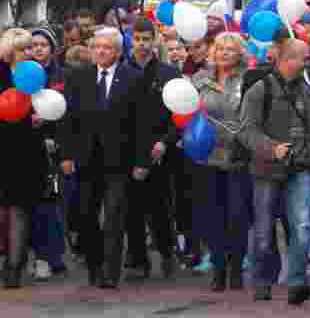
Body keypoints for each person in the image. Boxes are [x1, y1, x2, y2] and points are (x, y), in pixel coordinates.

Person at [239, 39, 310, 305]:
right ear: (288, 59)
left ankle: (297, 282)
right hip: (266, 169)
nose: (308, 61)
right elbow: (245, 130)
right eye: (303, 57)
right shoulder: (259, 90)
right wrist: (271, 148)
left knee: (301, 226)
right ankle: (262, 280)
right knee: (264, 231)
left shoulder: (306, 89)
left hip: (300, 166)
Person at [62, 27, 144, 289]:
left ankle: (110, 272)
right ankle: (95, 265)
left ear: (118, 51)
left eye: (107, 47)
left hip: (119, 160)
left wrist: (141, 161)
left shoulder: (133, 78)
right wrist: (66, 155)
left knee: (114, 218)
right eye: (97, 46)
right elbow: (68, 119)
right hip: (86, 159)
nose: (100, 51)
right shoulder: (79, 76)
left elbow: (141, 124)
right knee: (86, 216)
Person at [191, 33, 252, 291]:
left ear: (240, 54)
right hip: (208, 158)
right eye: (220, 49)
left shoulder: (249, 80)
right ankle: (218, 268)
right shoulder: (199, 80)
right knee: (213, 217)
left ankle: (236, 267)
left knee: (237, 216)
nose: (224, 53)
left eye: (231, 49)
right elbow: (187, 113)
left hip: (239, 158)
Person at [123, 19, 179, 281]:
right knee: (131, 208)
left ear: (155, 39)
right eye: (137, 39)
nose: (142, 44)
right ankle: (136, 257)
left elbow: (179, 116)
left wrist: (165, 142)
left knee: (160, 208)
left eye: (146, 39)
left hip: (159, 149)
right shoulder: (123, 71)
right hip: (128, 149)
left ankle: (167, 253)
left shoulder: (168, 74)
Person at [0, 29, 48, 288]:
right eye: (22, 49)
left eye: (30, 48)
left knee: (20, 210)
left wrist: (44, 119)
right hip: (3, 148)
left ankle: (13, 267)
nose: (29, 53)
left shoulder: (38, 76)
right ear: (9, 52)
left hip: (27, 151)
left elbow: (53, 107)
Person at [27, 27, 67, 281]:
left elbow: (66, 111)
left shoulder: (60, 76)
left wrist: (55, 136)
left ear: (52, 48)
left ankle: (49, 256)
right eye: (34, 45)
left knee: (48, 204)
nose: (38, 49)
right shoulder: (21, 73)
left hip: (52, 147)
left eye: (43, 44)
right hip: (25, 146)